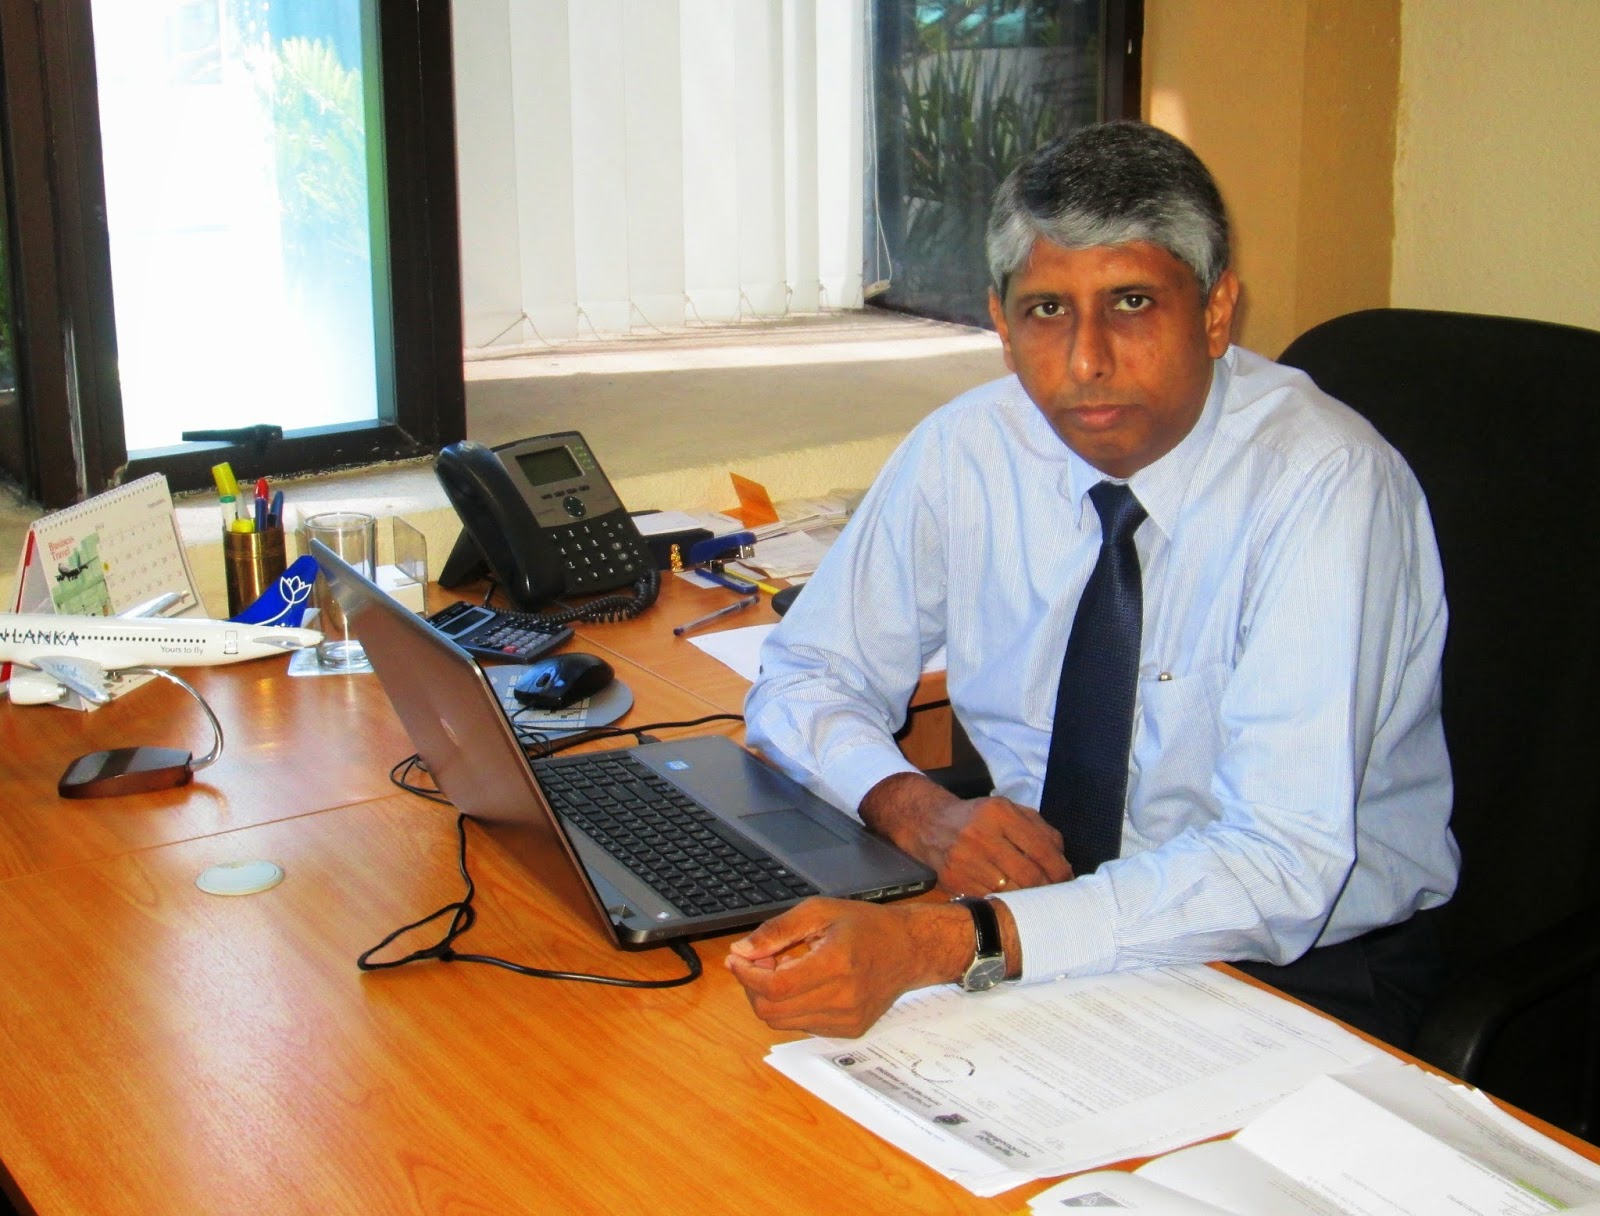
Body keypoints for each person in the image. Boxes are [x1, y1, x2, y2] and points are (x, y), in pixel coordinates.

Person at [726, 121, 1458, 1047]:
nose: (1086, 361)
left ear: (1217, 312)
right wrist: (917, 809)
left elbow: (1281, 863)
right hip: (1032, 923)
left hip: (1292, 967)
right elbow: (805, 675)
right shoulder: (968, 449)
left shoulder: (1326, 486)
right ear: (1001, 326)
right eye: (1046, 310)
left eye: (1133, 303)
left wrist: (947, 943)